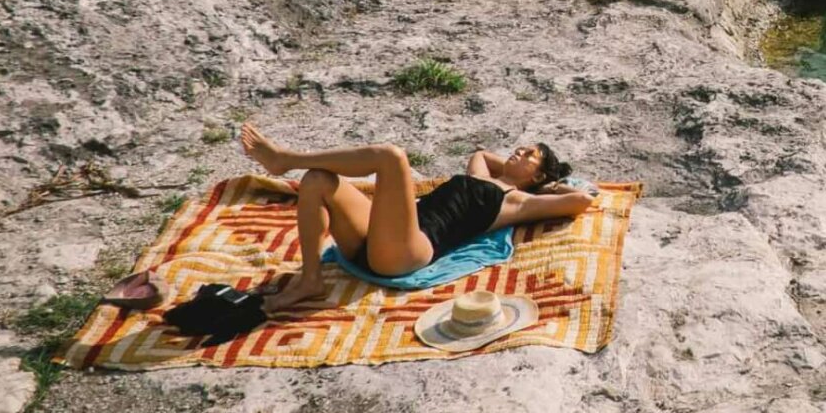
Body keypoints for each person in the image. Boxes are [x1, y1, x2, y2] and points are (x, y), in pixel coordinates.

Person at [238, 123, 592, 314]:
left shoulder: (518, 202)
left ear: (538, 175)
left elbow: (581, 200)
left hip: (407, 251)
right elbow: (482, 153)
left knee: (391, 157)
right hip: (376, 239)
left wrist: (546, 186)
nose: (520, 151)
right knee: (317, 180)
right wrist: (522, 170)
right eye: (523, 147)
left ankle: (286, 159)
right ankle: (311, 281)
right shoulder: (482, 175)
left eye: (530, 155)